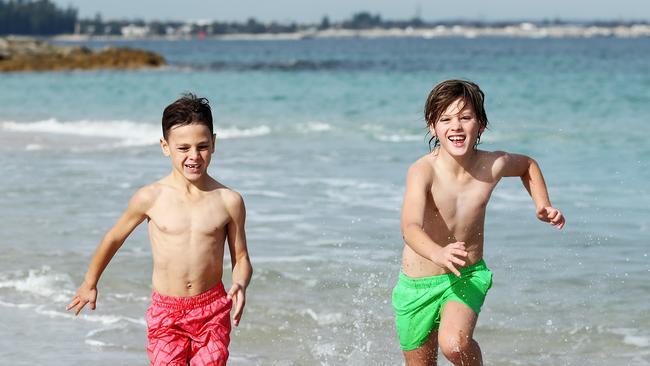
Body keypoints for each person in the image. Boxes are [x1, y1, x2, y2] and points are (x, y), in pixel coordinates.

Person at [67, 93, 252, 366]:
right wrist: (89, 282)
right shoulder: (151, 197)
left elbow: (242, 258)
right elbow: (114, 237)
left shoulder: (229, 200)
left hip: (212, 309)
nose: (194, 156)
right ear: (165, 146)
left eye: (202, 146)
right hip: (167, 311)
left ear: (214, 142)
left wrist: (240, 284)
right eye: (183, 148)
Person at [391, 79, 565, 366]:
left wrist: (542, 204)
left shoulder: (492, 165)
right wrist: (438, 253)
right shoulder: (423, 171)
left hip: (466, 274)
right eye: (445, 119)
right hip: (418, 284)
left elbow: (527, 165)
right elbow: (409, 227)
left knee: (455, 345)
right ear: (433, 127)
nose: (456, 126)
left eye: (465, 117)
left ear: (481, 125)